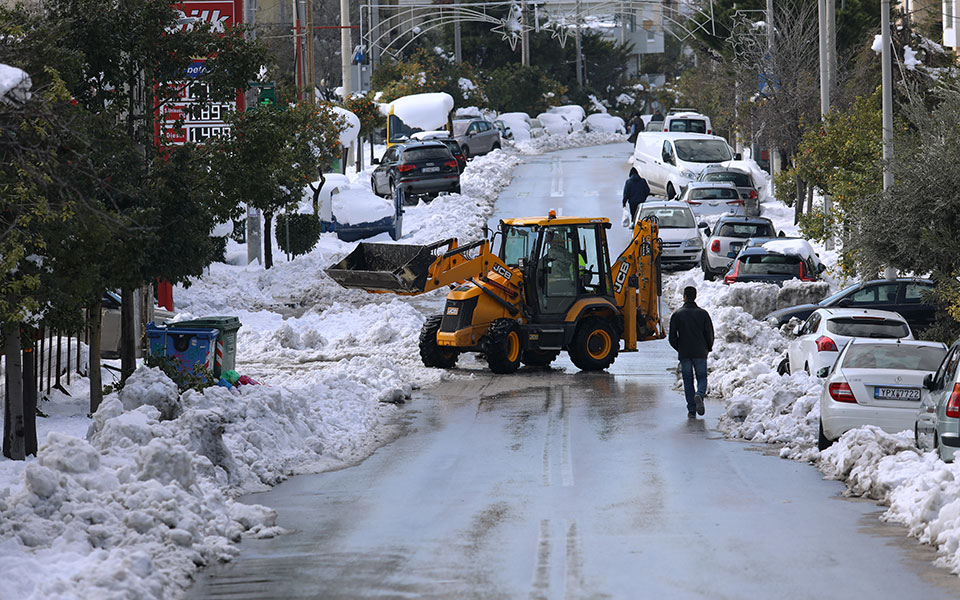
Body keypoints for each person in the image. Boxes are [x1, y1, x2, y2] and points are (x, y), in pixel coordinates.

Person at [668, 286, 714, 418]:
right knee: (701, 377)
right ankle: (699, 394)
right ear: (695, 296)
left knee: (687, 380)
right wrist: (708, 347)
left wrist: (680, 347)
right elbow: (709, 333)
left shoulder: (677, 314)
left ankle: (691, 409)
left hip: (685, 353)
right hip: (700, 352)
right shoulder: (703, 314)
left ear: (684, 297)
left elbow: (672, 337)